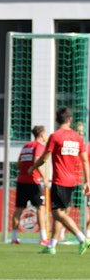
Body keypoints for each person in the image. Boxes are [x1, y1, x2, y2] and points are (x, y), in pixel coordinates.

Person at [33, 108, 90, 255]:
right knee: (61, 213)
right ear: (70, 119)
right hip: (74, 181)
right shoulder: (78, 137)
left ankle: (82, 238)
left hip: (60, 181)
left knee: (58, 214)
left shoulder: (55, 136)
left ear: (57, 120)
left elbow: (45, 157)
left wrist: (32, 167)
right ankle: (52, 245)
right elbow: (85, 161)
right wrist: (87, 181)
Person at [11, 125, 49, 246]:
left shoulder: (26, 146)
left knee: (18, 210)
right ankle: (43, 238)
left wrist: (25, 168)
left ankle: (14, 237)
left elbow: (18, 164)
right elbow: (37, 161)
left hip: (21, 181)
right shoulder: (39, 146)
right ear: (42, 135)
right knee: (40, 209)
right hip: (33, 182)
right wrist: (44, 177)